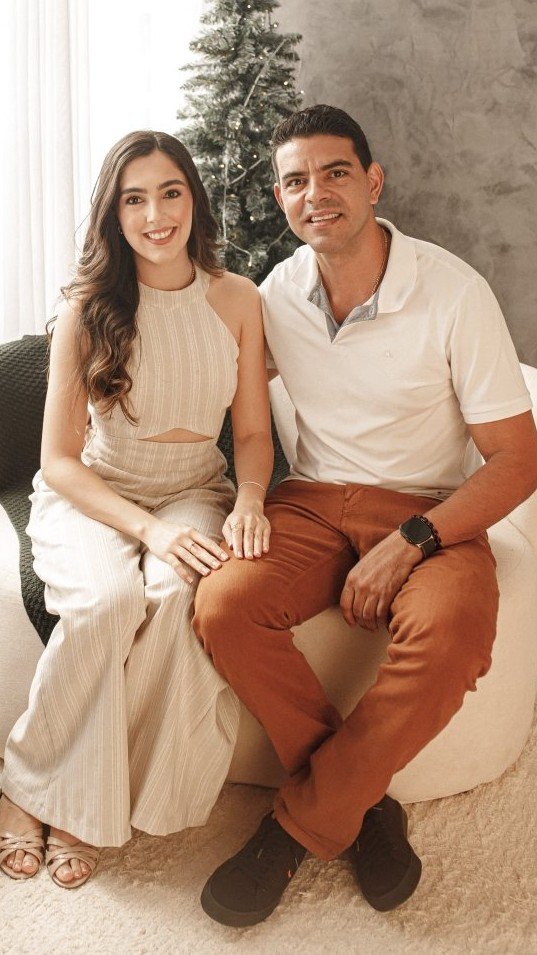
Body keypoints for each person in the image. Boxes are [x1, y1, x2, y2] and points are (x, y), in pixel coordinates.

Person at [193, 104, 537, 926]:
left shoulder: (453, 292)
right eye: (295, 180)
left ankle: (294, 827)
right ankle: (359, 804)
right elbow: (203, 378)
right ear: (280, 197)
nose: (315, 193)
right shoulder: (274, 293)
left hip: (429, 507)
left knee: (453, 633)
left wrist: (412, 540)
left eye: (335, 172)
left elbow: (518, 458)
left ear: (373, 182)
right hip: (311, 501)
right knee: (224, 605)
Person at [0, 130, 273, 888]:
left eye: (171, 192)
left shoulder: (237, 299)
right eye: (135, 199)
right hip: (95, 491)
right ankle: (30, 784)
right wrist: (147, 528)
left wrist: (252, 497)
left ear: (194, 199)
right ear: (114, 215)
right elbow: (58, 459)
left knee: (179, 594)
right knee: (108, 603)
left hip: (195, 489)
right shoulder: (87, 309)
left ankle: (97, 794)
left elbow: (253, 434)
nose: (156, 215)